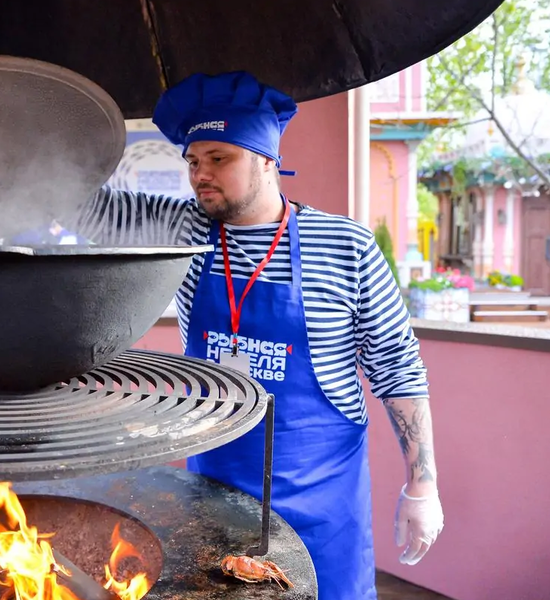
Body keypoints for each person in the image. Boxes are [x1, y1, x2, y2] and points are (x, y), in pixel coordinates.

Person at [69, 72, 445, 599]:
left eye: (219, 158)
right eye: (193, 161)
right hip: (214, 494)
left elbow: (397, 367)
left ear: (267, 159)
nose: (201, 174)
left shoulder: (345, 246)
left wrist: (422, 484)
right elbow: (86, 208)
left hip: (320, 502)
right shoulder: (187, 230)